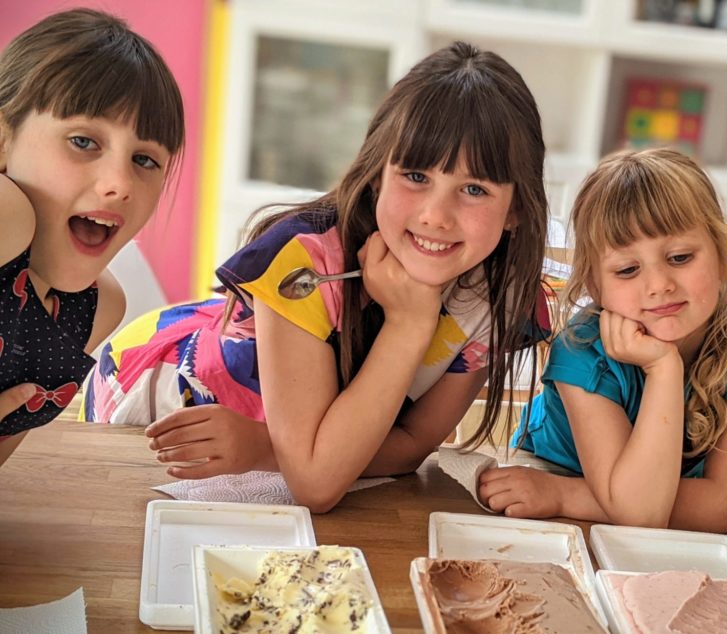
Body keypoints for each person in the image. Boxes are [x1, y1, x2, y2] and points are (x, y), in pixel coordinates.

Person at [85, 41, 549, 513]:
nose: (436, 215)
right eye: (415, 176)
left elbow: (409, 446)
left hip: (257, 442)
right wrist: (409, 323)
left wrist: (269, 449)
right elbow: (317, 484)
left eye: (474, 189)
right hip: (163, 403)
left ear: (515, 210)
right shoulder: (304, 261)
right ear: (376, 176)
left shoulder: (498, 297)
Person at [479, 147, 727, 531]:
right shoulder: (581, 349)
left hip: (559, 495)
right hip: (549, 478)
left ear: (722, 256)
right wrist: (664, 369)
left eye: (680, 258)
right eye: (627, 269)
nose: (659, 286)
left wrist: (564, 495)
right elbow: (643, 513)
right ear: (595, 286)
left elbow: (722, 508)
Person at [0, 9, 185, 466]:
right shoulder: (7, 215)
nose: (120, 183)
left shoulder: (94, 308)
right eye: (83, 142)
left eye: (144, 160)